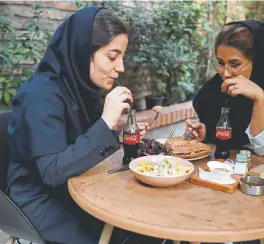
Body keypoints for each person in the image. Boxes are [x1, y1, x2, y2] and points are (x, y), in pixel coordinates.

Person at [6, 7, 166, 244]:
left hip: (75, 183)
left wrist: (117, 136)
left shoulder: (81, 88)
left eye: (122, 57)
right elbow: (52, 171)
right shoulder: (40, 95)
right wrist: (106, 122)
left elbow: (81, 142)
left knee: (143, 225)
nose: (120, 67)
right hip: (37, 196)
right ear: (82, 51)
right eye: (112, 57)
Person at [186, 20, 264, 157]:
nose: (226, 74)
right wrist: (206, 132)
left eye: (235, 64)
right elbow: (229, 132)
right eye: (221, 63)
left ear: (257, 62)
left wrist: (259, 99)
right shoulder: (216, 87)